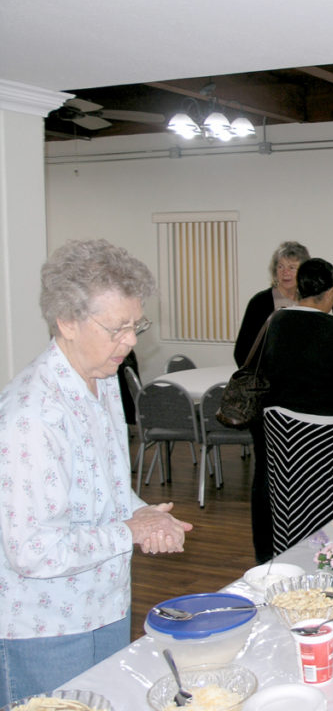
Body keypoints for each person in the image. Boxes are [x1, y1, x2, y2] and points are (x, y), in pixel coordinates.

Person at [0, 239, 193, 704]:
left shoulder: (102, 381)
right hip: (46, 628)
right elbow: (32, 550)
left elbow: (107, 488)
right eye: (116, 328)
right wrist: (129, 530)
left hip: (104, 603)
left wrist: (146, 516)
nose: (129, 341)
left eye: (135, 325)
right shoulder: (31, 417)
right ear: (67, 322)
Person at [260, 258, 333, 555]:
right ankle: (328, 557)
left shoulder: (277, 321)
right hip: (327, 431)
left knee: (287, 500)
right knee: (328, 502)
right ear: (331, 292)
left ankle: (288, 557)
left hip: (281, 427)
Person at [232, 240, 310, 563]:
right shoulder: (260, 302)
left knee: (300, 475)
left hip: (302, 405)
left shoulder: (311, 303)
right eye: (280, 266)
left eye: (292, 266)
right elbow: (242, 353)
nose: (285, 272)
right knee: (266, 475)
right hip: (265, 404)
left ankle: (297, 542)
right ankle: (264, 550)